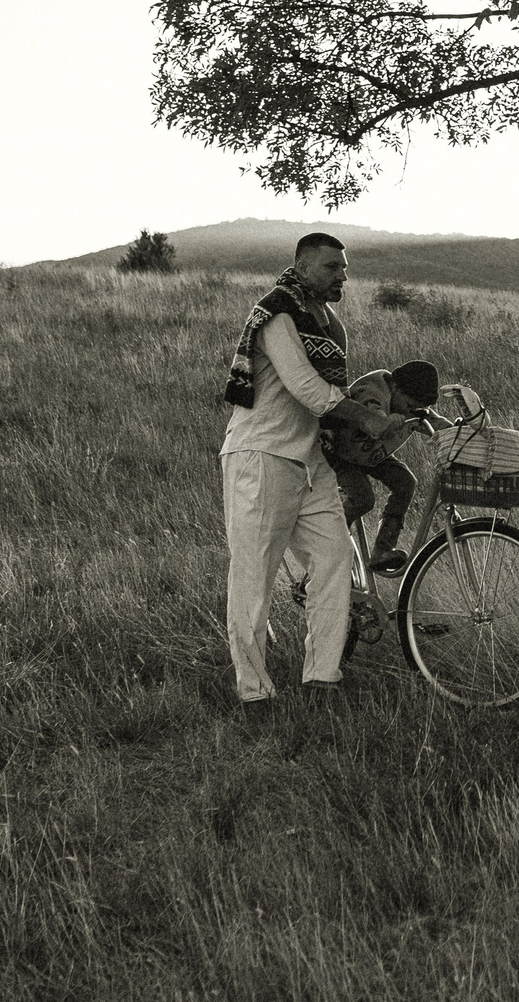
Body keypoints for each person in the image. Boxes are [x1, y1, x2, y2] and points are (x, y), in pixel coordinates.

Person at [215, 232, 358, 708]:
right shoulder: (277, 313)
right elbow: (310, 391)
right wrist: (369, 417)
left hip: (311, 460)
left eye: (343, 266)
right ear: (300, 267)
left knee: (336, 560)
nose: (342, 274)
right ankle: (254, 692)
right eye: (330, 267)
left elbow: (331, 394)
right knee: (254, 577)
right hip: (261, 455)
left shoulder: (329, 322)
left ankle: (322, 676)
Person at [320, 359, 439, 573]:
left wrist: (462, 429)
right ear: (396, 387)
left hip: (370, 455)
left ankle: (382, 551)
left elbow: (432, 421)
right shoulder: (373, 390)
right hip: (339, 452)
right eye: (409, 406)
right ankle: (329, 542)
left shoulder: (408, 403)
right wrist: (385, 421)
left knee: (405, 483)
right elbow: (372, 413)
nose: (411, 412)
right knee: (363, 498)